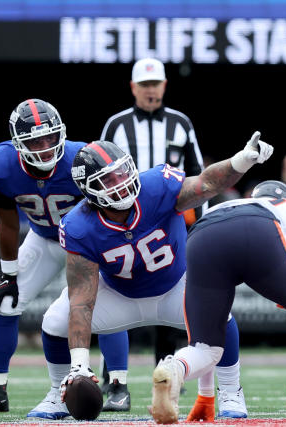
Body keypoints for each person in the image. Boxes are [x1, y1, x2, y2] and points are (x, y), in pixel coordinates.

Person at [34, 134, 273, 422]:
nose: (120, 182)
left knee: (220, 314)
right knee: (55, 320)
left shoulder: (156, 185)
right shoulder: (78, 226)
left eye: (122, 172)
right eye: (108, 180)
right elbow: (82, 301)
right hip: (120, 295)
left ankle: (232, 391)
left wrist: (240, 161)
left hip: (176, 286)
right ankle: (57, 393)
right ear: (89, 189)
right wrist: (80, 365)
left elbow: (206, 183)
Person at [0, 99, 128, 417]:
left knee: (107, 303)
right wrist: (10, 275)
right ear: (19, 143)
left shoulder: (79, 157)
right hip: (45, 238)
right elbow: (7, 222)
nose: (46, 147)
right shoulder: (3, 164)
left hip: (86, 242)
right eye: (35, 140)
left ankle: (117, 385)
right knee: (6, 302)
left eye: (51, 137)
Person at [100, 57, 232, 414]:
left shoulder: (180, 123)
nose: (150, 90)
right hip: (124, 221)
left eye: (155, 83)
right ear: (133, 88)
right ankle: (113, 378)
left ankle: (169, 371)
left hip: (169, 222)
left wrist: (201, 226)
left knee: (173, 295)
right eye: (144, 85)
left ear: (164, 85)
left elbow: (199, 177)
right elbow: (97, 171)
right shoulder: (117, 125)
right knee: (114, 292)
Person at [150, 180, 286, 424]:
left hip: (201, 234)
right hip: (259, 228)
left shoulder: (232, 203)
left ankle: (175, 368)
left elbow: (208, 336)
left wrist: (206, 396)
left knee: (205, 348)